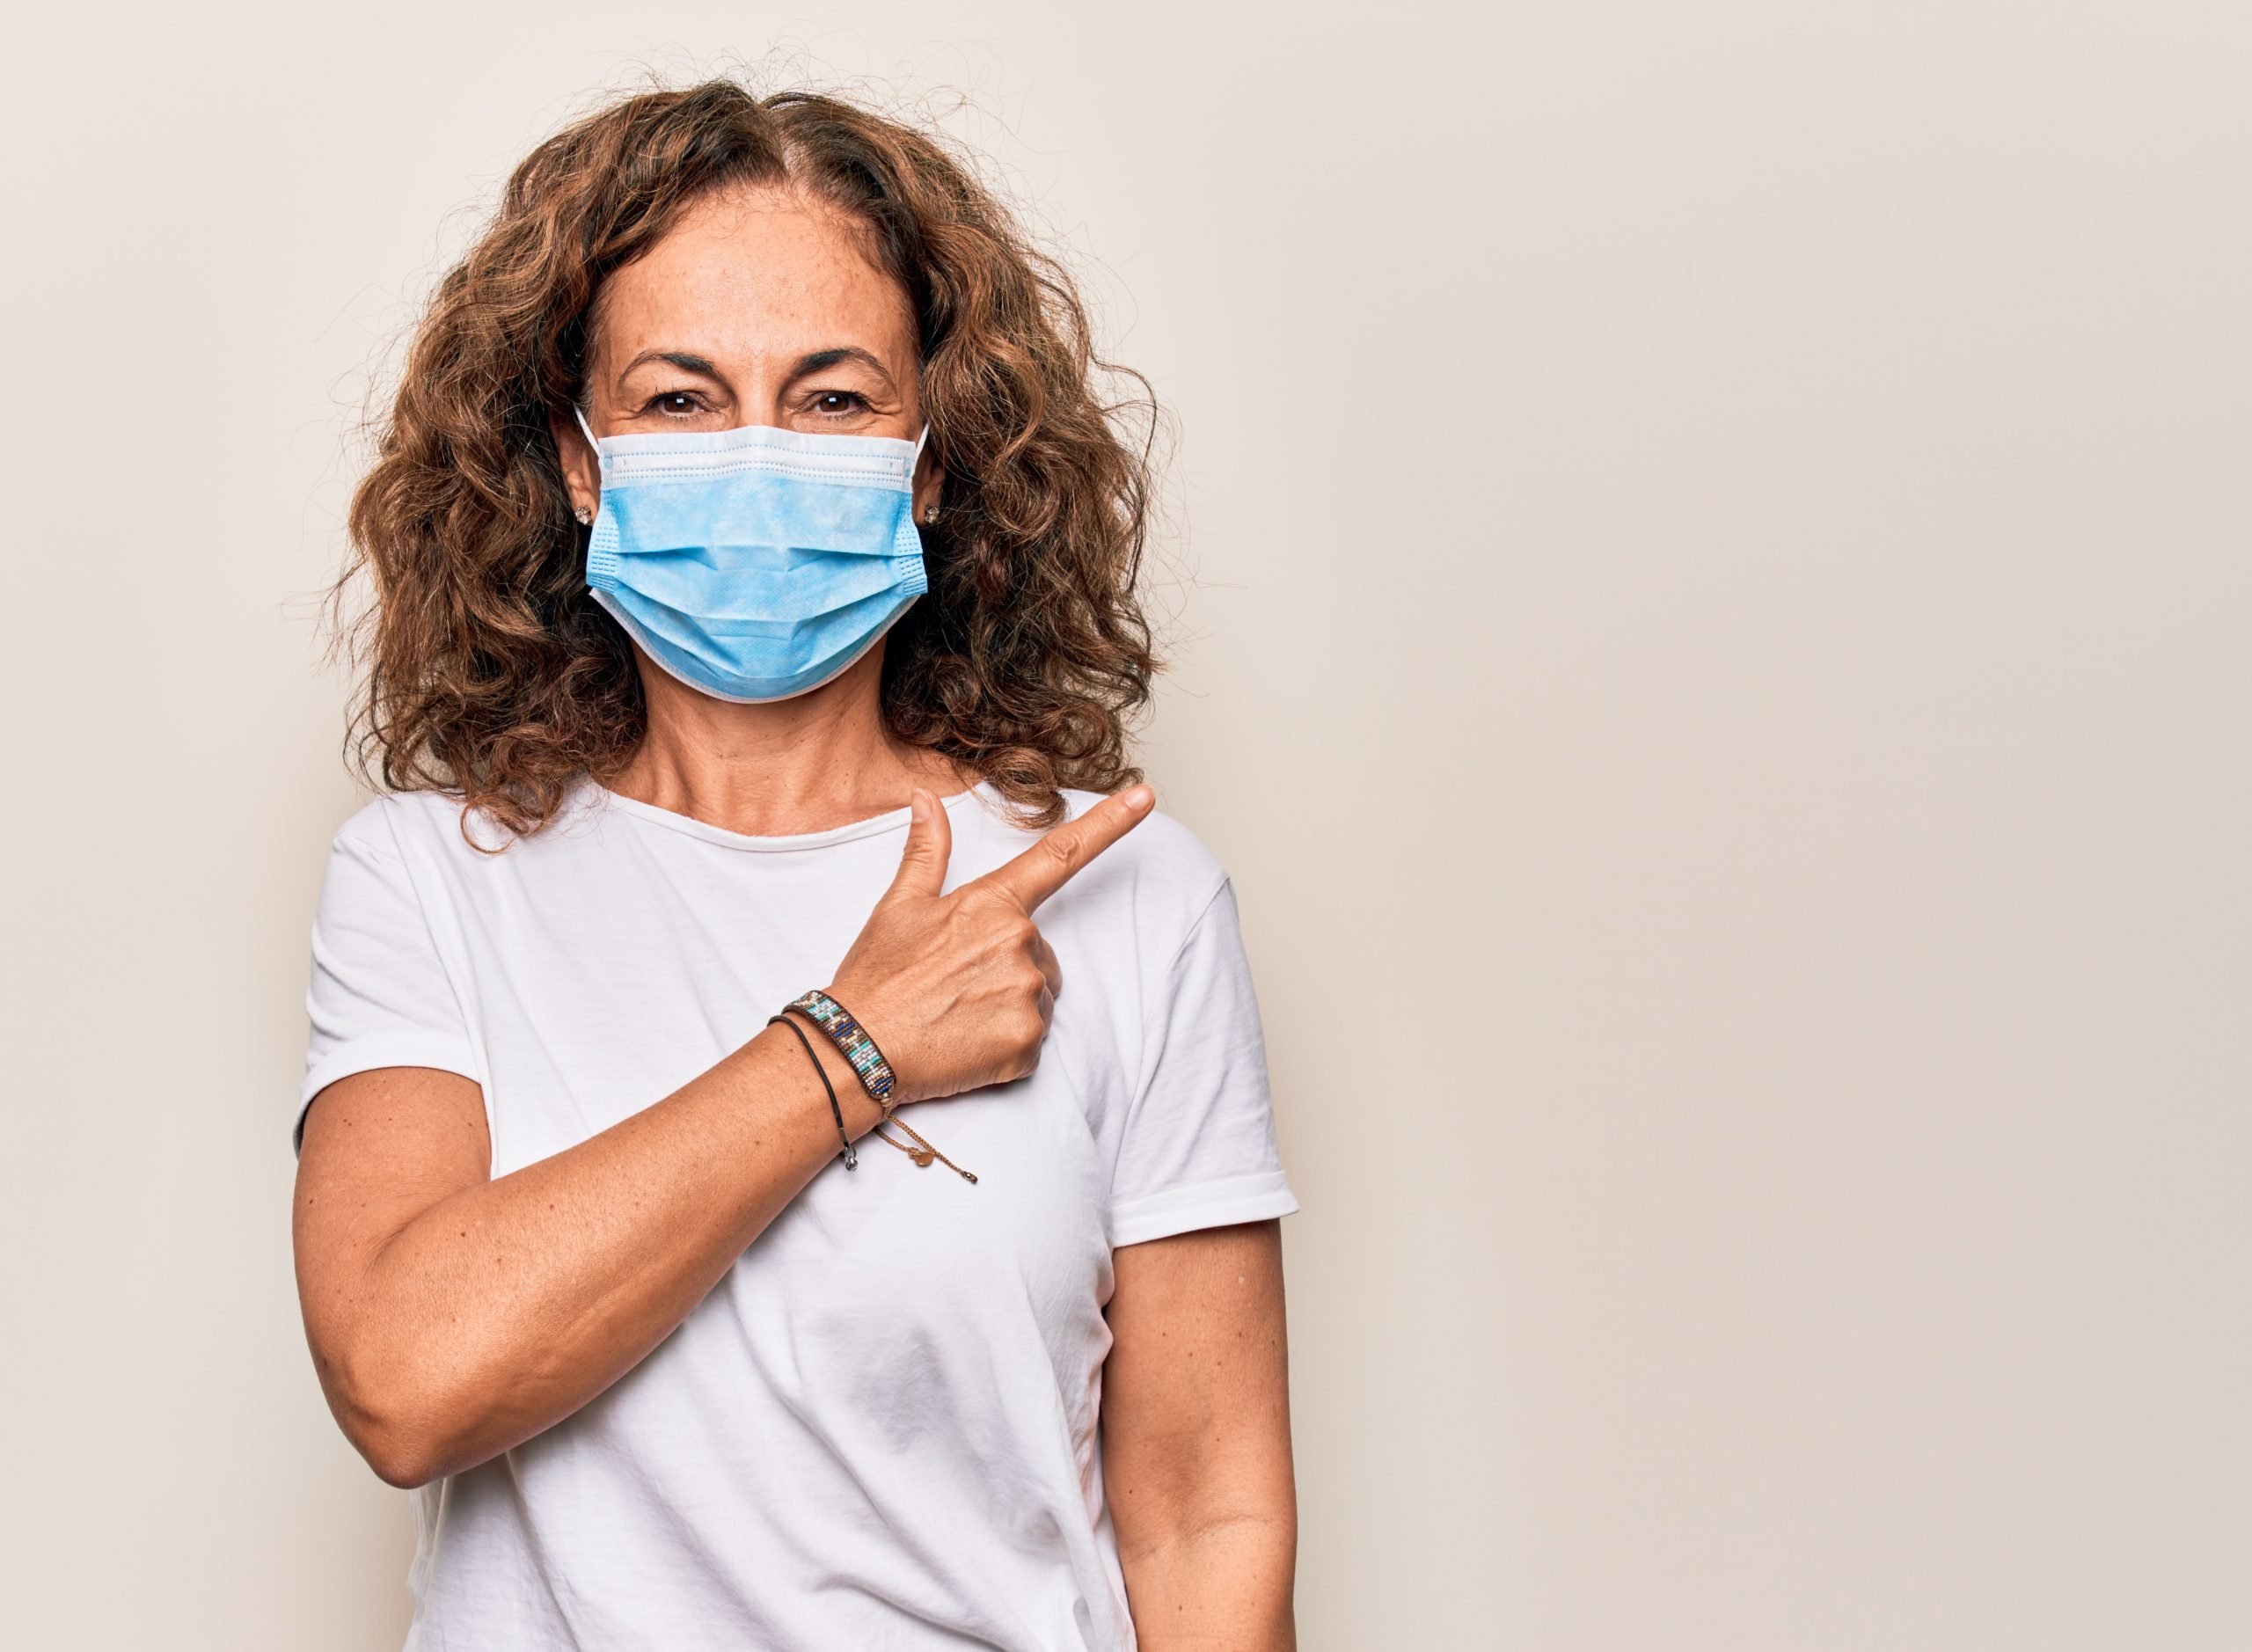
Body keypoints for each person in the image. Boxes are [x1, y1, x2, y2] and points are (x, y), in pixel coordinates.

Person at [290, 80, 1299, 1650]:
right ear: (575, 459)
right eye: (680, 401)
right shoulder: (431, 879)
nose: (757, 453)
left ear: (934, 461)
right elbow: (406, 1378)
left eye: (832, 400)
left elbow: (1204, 1512)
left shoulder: (1131, 898)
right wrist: (856, 1041)